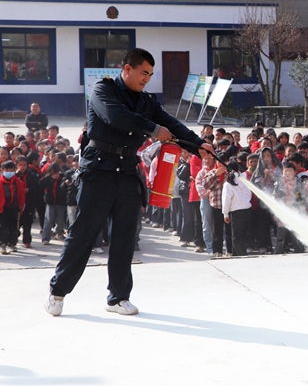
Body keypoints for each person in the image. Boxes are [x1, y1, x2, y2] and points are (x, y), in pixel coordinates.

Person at [45, 48, 213, 317]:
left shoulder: (147, 101)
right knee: (83, 235)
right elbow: (116, 117)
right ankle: (57, 292)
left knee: (125, 237)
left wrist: (199, 145)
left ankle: (118, 298)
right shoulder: (103, 91)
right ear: (127, 69)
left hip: (127, 173)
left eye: (151, 74)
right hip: (98, 172)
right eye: (143, 72)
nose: (147, 78)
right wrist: (153, 129)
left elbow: (171, 123)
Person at [221, 162, 251, 256]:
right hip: (247, 209)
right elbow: (249, 193)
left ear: (226, 170)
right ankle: (237, 254)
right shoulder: (244, 178)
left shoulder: (228, 183)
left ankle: (241, 255)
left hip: (236, 211)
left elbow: (226, 200)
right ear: (238, 169)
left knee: (236, 237)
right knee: (243, 235)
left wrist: (225, 214)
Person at [0, 160, 25, 254]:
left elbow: (21, 195)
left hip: (14, 208)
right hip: (3, 209)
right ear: (2, 170)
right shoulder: (0, 182)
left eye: (11, 169)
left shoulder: (18, 182)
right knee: (3, 227)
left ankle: (12, 244)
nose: (9, 171)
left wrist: (21, 206)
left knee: (14, 228)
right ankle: (3, 244)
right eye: (7, 169)